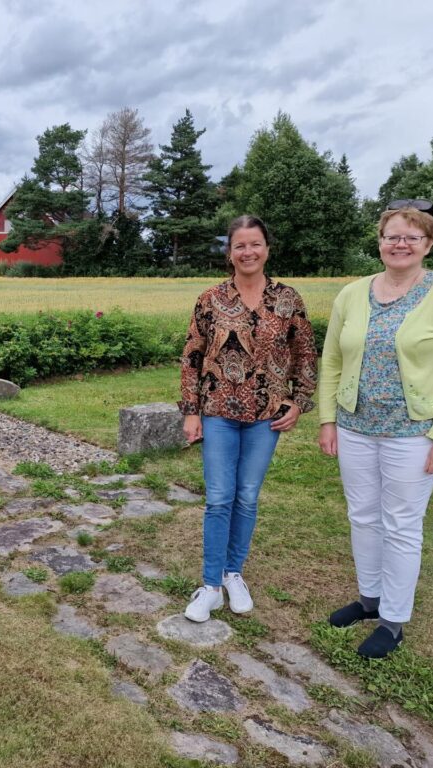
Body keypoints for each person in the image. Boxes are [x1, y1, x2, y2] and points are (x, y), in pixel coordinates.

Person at [318, 200, 433, 658]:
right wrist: (328, 419)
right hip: (354, 427)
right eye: (392, 235)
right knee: (362, 516)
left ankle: (393, 620)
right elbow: (331, 360)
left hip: (413, 432)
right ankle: (369, 599)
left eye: (412, 236)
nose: (400, 244)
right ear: (380, 241)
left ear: (428, 244)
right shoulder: (352, 293)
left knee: (402, 525)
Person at [180, 215, 317, 622]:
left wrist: (300, 402)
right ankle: (209, 587)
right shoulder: (210, 299)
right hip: (218, 409)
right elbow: (192, 357)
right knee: (219, 498)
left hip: (266, 415)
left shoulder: (288, 299)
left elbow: (305, 354)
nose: (248, 252)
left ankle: (233, 572)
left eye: (255, 243)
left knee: (248, 496)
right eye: (239, 245)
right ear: (230, 253)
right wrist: (191, 412)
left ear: (267, 248)